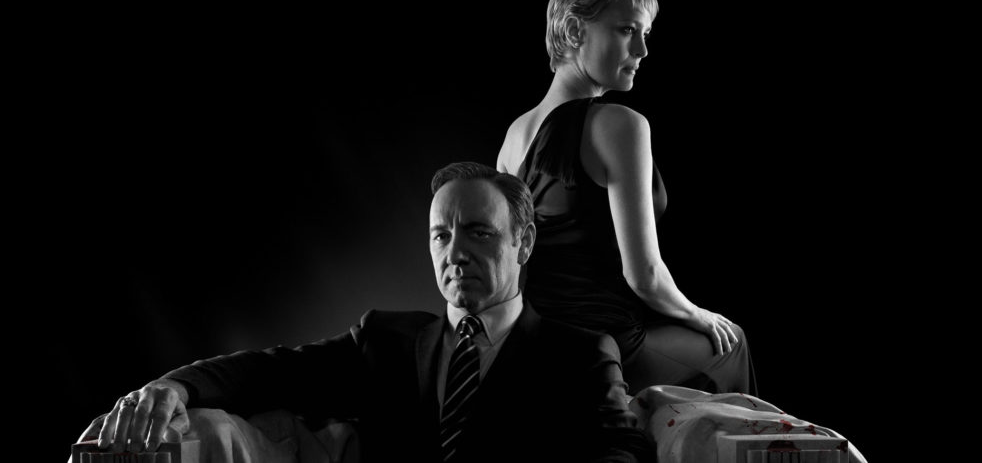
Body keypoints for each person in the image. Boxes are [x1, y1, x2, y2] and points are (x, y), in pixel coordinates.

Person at [73, 162, 654, 463]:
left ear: (523, 242)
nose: (455, 253)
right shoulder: (386, 341)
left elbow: (621, 451)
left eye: (478, 232)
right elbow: (268, 371)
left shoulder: (580, 353)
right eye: (441, 235)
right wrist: (173, 388)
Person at [496, 0, 757, 395]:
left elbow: (512, 270)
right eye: (627, 30)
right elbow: (645, 276)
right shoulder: (620, 125)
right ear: (574, 31)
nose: (642, 49)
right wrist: (699, 315)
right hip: (608, 348)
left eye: (646, 34)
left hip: (540, 346)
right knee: (732, 343)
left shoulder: (513, 136)